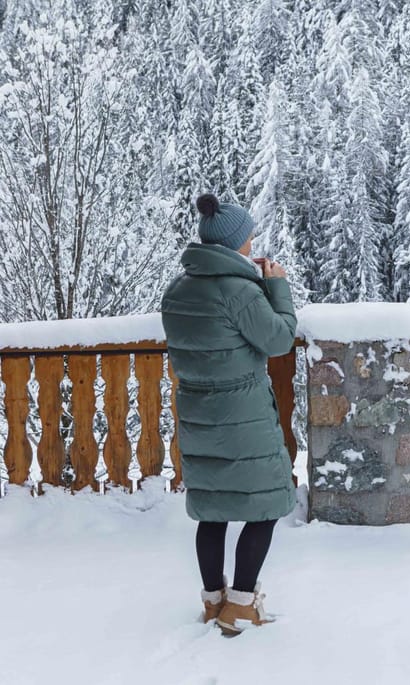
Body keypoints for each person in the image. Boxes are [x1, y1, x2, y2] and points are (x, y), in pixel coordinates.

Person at [160, 193, 297, 636]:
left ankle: (213, 602)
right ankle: (240, 606)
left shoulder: (177, 289)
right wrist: (276, 288)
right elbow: (278, 340)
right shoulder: (239, 292)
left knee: (213, 509)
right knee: (265, 506)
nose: (252, 241)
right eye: (249, 236)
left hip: (198, 413)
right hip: (243, 415)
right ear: (236, 243)